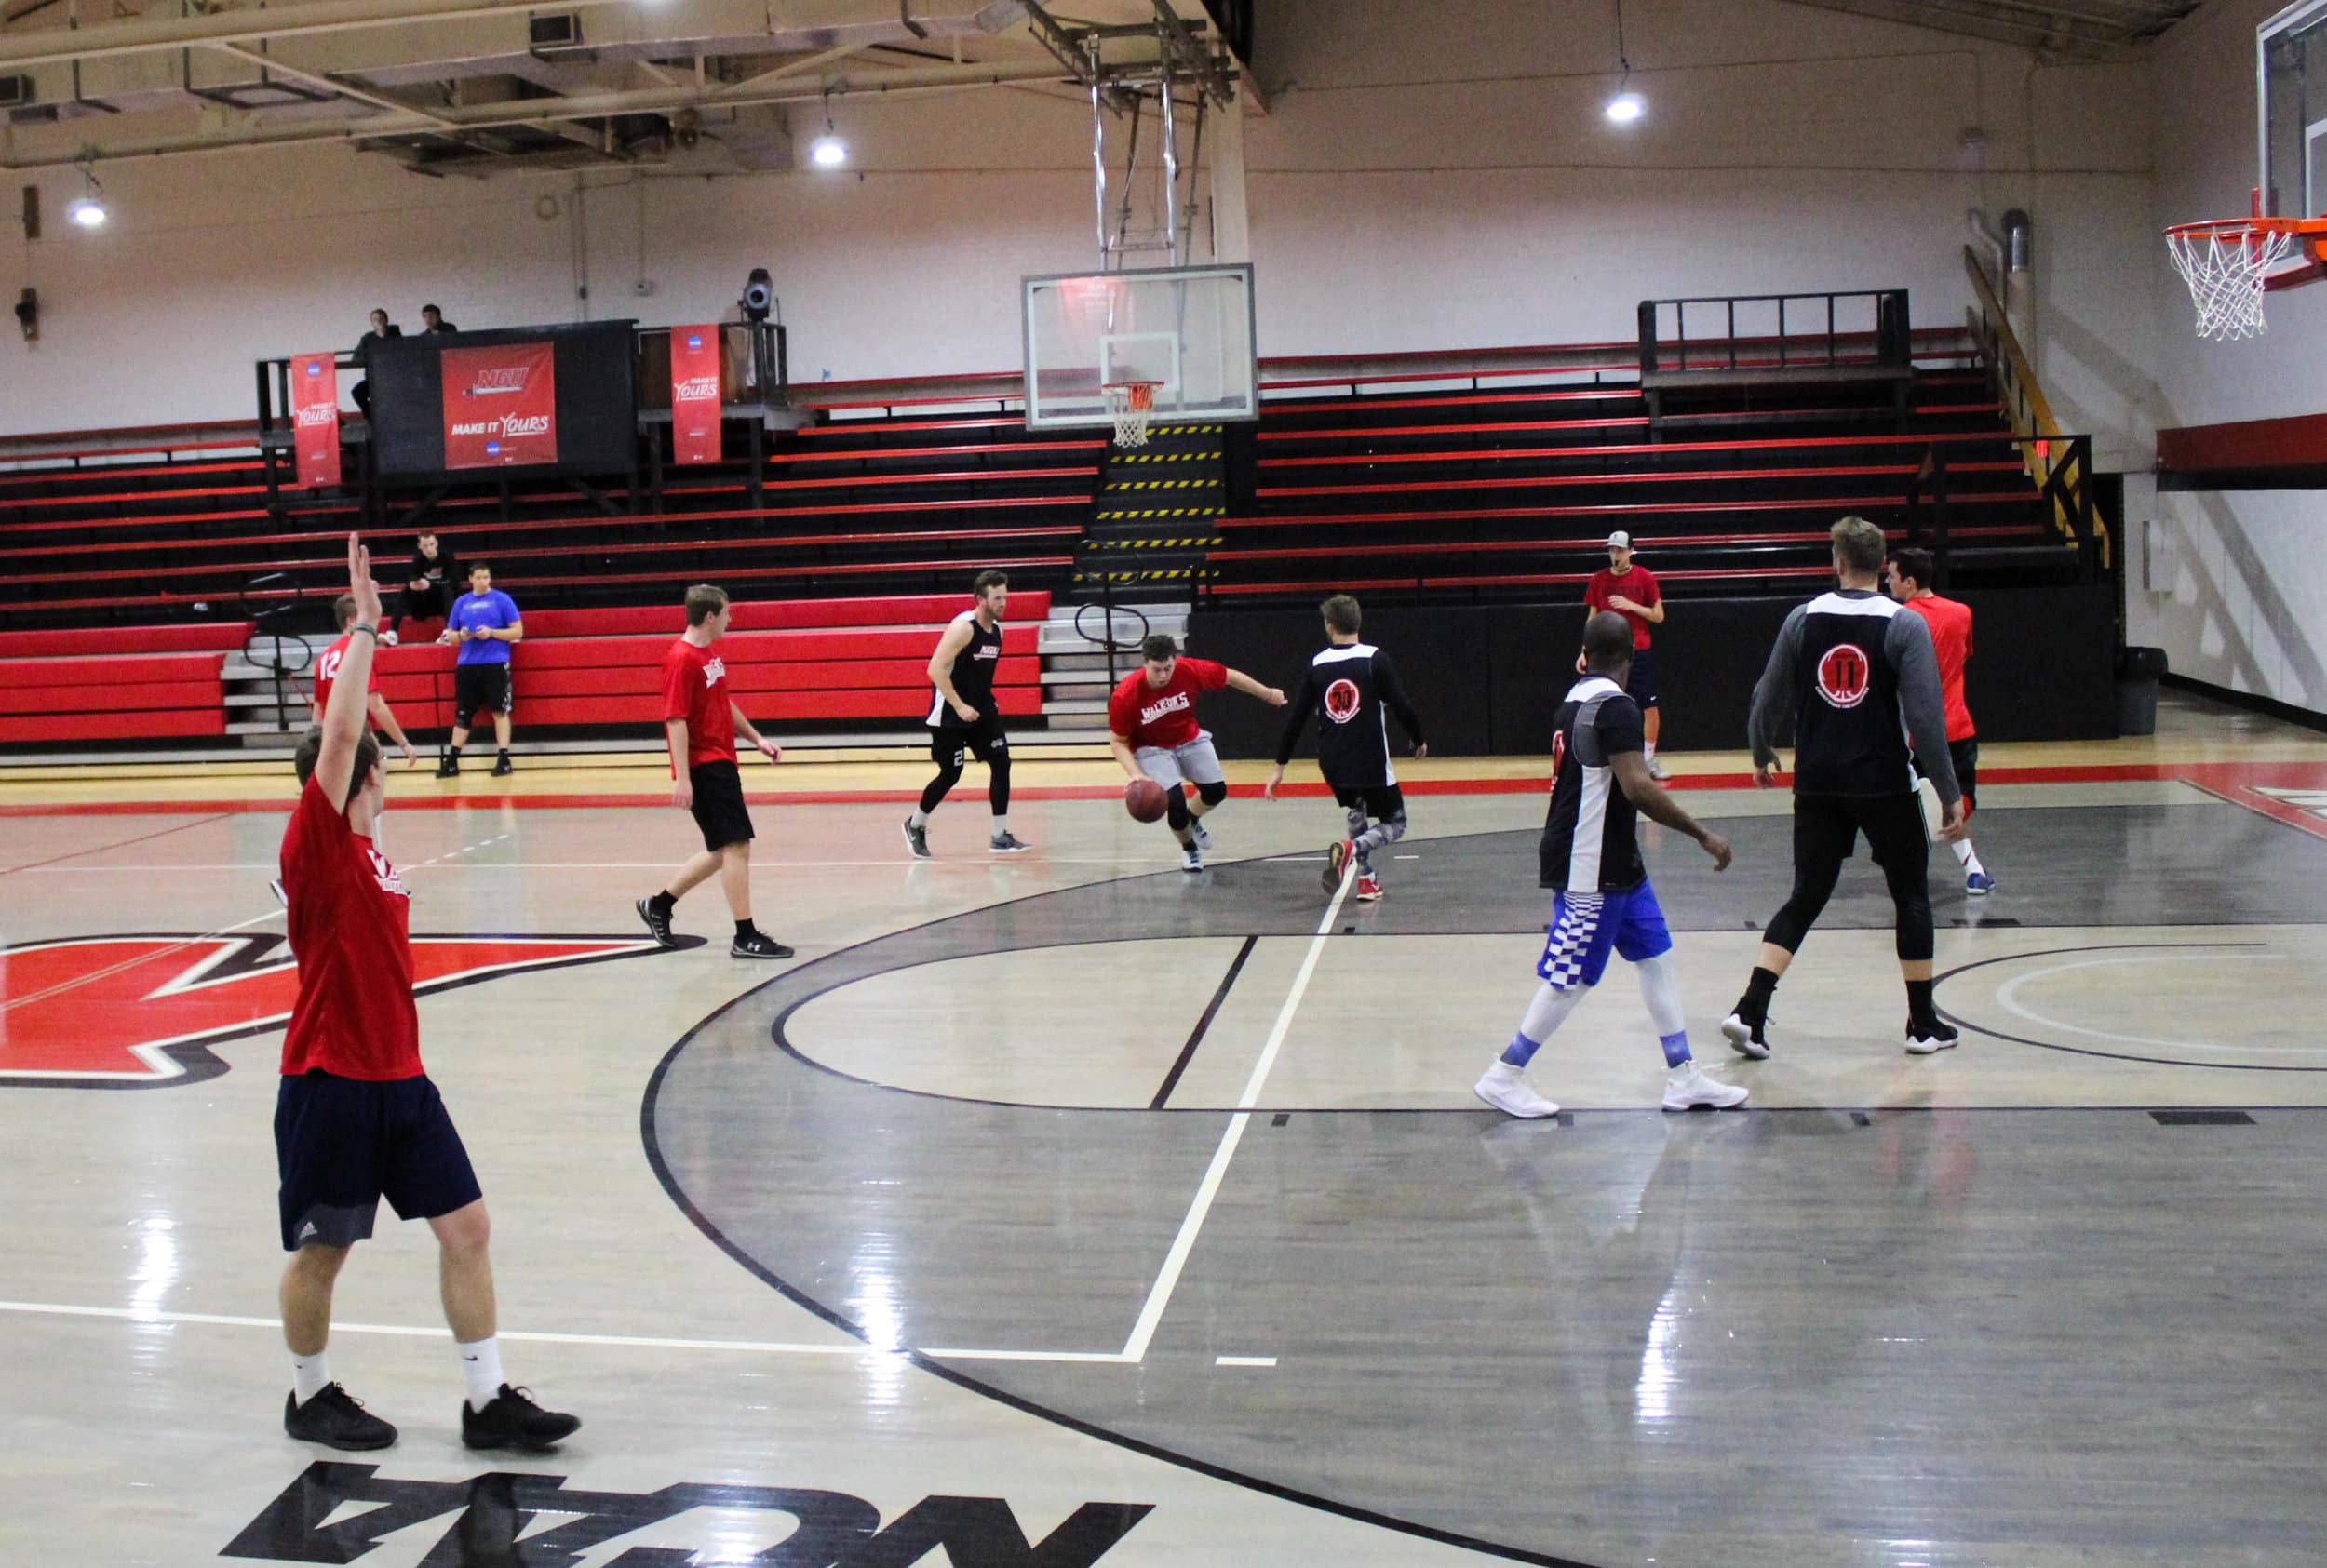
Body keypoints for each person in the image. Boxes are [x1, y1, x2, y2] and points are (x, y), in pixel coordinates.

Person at [276, 533, 578, 1454]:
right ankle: (309, 1393)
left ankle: (487, 1402)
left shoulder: (370, 852)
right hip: (333, 1078)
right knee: (326, 1248)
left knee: (468, 1226)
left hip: (401, 1078)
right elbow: (337, 732)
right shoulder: (318, 844)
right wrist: (367, 623)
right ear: (358, 774)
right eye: (373, 760)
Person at [1475, 612, 1748, 1118]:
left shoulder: (1573, 700)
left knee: (1655, 956)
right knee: (1571, 975)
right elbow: (1637, 786)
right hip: (1590, 864)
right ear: (1631, 658)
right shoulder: (1617, 707)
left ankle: (1683, 1076)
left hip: (1617, 859)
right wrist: (1702, 834)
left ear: (1586, 653)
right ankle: (1505, 1074)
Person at [1722, 516, 1968, 1063]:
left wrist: (1760, 750)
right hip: (1882, 781)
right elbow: (1927, 721)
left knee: (1807, 894)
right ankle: (1922, 1023)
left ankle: (1750, 1009)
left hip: (1817, 781)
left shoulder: (1802, 619)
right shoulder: (1904, 625)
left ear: (1836, 561)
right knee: (1910, 894)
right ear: (1884, 566)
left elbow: (1766, 696)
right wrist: (1949, 790)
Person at [635, 585, 794, 960]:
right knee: (736, 846)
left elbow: (723, 701)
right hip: (704, 766)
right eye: (727, 613)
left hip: (721, 759)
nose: (731, 619)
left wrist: (756, 739)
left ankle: (657, 905)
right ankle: (745, 935)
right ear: (710, 616)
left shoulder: (708, 655)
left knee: (723, 849)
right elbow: (675, 720)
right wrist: (683, 777)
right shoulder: (680, 659)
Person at [1264, 594, 1426, 903]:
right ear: (1358, 621)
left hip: (1333, 761)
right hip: (1371, 759)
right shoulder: (1375, 659)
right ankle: (1352, 849)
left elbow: (1296, 719)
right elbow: (1402, 706)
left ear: (1329, 626)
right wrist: (1418, 739)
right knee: (1396, 823)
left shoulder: (1317, 664)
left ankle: (1366, 880)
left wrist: (1279, 767)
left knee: (1357, 811)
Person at [1107, 633, 1286, 873]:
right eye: (1156, 670)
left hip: (1188, 737)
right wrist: (1135, 774)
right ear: (1145, 663)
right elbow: (1117, 741)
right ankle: (1189, 847)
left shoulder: (1189, 670)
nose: (1162, 675)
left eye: (1167, 668)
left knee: (1216, 792)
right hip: (1151, 749)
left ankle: (1193, 819)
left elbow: (1230, 676)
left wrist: (1267, 693)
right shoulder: (1126, 695)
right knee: (1175, 804)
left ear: (1175, 661)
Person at [1888, 547, 1994, 896]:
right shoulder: (1962, 613)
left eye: (1892, 576)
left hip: (1917, 734)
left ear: (1910, 581)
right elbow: (1965, 655)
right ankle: (1974, 870)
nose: (1887, 582)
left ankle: (1942, 867)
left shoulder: (1899, 620)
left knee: (1916, 807)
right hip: (1958, 727)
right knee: (1959, 801)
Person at [904, 570, 1027, 858]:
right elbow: (934, 669)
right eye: (997, 599)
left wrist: (983, 706)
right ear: (980, 600)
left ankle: (999, 836)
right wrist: (959, 705)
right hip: (949, 713)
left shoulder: (998, 631)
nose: (1003, 604)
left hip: (981, 710)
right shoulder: (963, 628)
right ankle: (915, 824)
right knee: (951, 774)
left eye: (1005, 598)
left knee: (1001, 762)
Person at [1584, 531, 1668, 780]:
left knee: (1648, 706)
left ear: (1631, 550)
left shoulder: (1645, 577)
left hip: (1638, 650)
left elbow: (1659, 615)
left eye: (1620, 550)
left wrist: (1632, 606)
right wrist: (1585, 651)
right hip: (1607, 654)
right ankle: (1602, 757)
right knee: (1603, 704)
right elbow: (1592, 616)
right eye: (1612, 550)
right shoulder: (1598, 579)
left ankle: (1649, 759)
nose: (1615, 555)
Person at [313, 593, 418, 769]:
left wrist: (317, 746)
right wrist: (403, 744)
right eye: (365, 619)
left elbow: (318, 708)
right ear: (351, 621)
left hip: (332, 741)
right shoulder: (358, 653)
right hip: (357, 740)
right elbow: (374, 704)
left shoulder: (324, 656)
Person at [436, 565, 520, 778]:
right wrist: (463, 636)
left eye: (487, 577)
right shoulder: (461, 603)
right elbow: (451, 635)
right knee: (463, 713)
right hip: (468, 664)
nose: (484, 581)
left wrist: (492, 633)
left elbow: (518, 631)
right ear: (471, 579)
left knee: (499, 710)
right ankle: (452, 761)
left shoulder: (502, 600)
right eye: (479, 577)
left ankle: (503, 758)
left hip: (495, 662)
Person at [383, 531, 457, 646]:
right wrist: (413, 585)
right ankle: (392, 632)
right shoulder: (418, 560)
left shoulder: (446, 557)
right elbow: (411, 578)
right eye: (425, 546)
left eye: (431, 544)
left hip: (442, 603)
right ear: (419, 546)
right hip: (423, 604)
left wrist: (431, 585)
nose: (429, 549)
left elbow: (454, 582)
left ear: (436, 543)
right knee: (406, 592)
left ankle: (448, 632)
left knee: (446, 591)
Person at [350, 309, 399, 417]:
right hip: (373, 380)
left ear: (386, 320)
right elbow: (355, 358)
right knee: (357, 392)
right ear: (372, 323)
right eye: (375, 320)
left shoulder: (396, 335)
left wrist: (383, 336)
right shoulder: (367, 338)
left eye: (381, 319)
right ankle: (371, 418)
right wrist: (367, 355)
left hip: (394, 380)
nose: (378, 322)